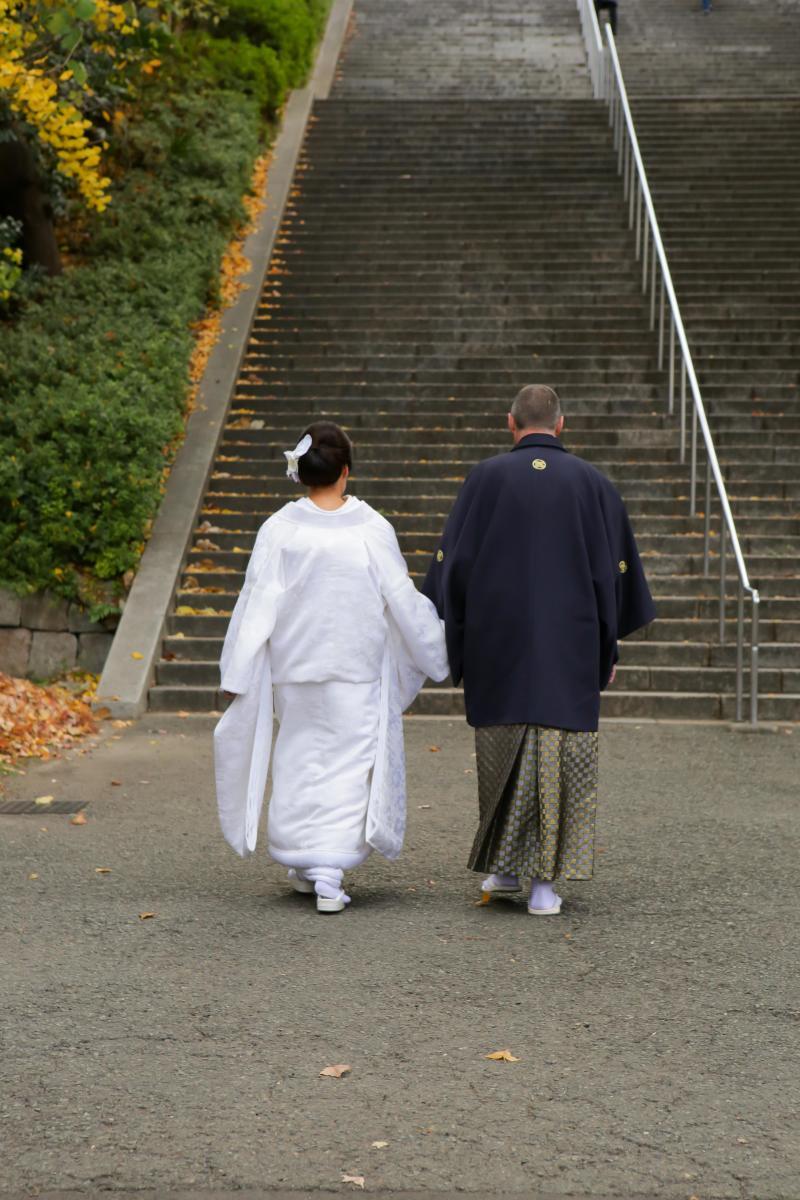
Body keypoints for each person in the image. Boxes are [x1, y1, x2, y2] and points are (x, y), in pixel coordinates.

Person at [422, 385, 655, 916]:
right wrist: (607, 644)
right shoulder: (594, 485)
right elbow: (613, 575)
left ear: (511, 423)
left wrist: (456, 633)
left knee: (501, 750)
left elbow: (452, 567)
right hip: (569, 643)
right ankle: (543, 885)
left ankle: (506, 867)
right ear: (561, 423)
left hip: (497, 642)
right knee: (562, 754)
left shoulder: (483, 481)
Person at [214, 421, 449, 914]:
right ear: (345, 472)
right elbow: (400, 597)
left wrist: (236, 668)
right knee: (346, 763)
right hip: (353, 665)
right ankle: (328, 869)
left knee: (299, 757)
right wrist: (434, 643)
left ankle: (303, 857)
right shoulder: (369, 528)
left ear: (301, 474)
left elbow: (256, 601)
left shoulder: (280, 529)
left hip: (294, 666)